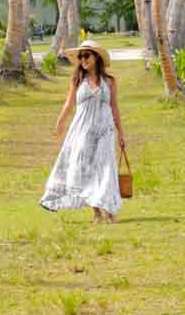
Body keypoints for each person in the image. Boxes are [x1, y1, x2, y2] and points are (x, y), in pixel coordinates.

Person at [40, 40, 127, 223]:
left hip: (105, 130)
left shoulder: (110, 81)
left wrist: (121, 133)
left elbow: (115, 107)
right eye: (80, 57)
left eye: (86, 55)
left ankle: (110, 211)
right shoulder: (77, 80)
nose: (83, 60)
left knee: (106, 169)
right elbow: (69, 103)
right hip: (82, 131)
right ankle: (96, 213)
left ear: (96, 57)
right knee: (85, 169)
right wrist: (60, 123)